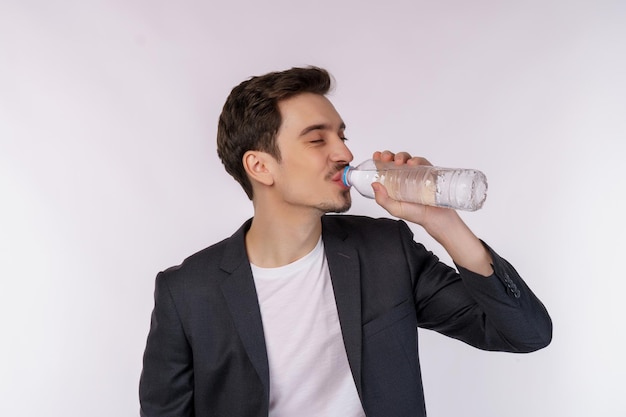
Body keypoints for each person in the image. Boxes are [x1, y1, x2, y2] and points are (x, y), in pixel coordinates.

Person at [139, 66, 552, 417]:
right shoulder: (188, 292)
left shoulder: (387, 251)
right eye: (318, 139)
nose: (344, 152)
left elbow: (526, 334)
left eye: (341, 135)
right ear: (260, 166)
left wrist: (443, 222)